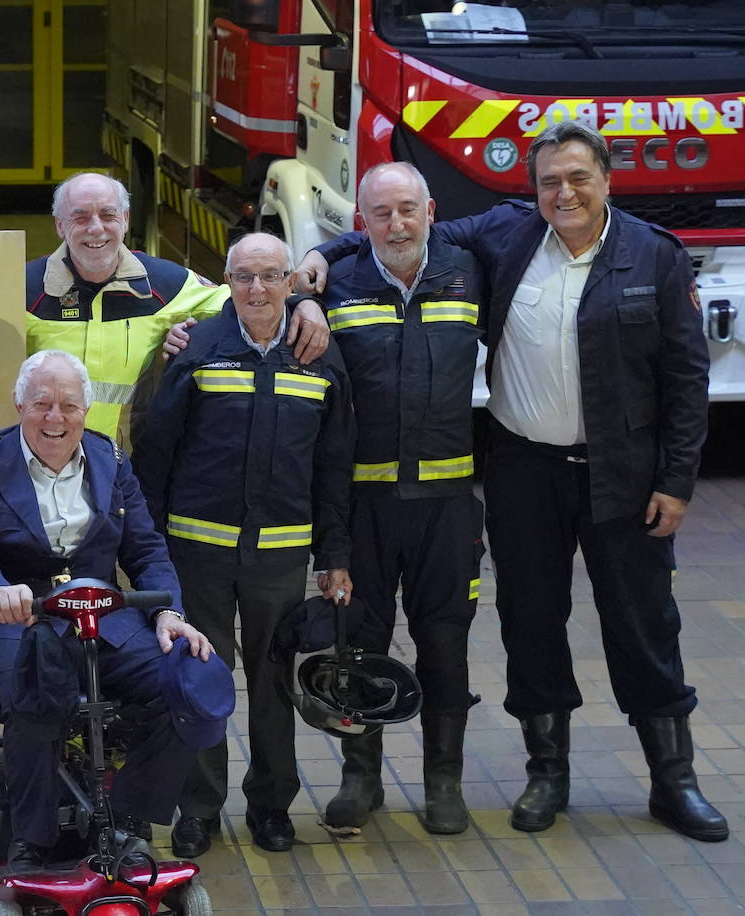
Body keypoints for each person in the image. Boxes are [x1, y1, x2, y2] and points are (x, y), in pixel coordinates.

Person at [299, 121, 726, 842]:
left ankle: (673, 781)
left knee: (644, 623)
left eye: (578, 178)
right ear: (533, 191)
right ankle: (546, 774)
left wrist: (677, 481)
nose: (564, 193)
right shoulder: (506, 236)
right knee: (531, 623)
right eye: (550, 181)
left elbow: (688, 380)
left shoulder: (654, 256)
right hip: (524, 469)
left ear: (607, 181)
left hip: (626, 478)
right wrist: (315, 259)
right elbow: (396, 226)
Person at [0, 349, 224, 870]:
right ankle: (33, 838)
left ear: (85, 411)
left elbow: (145, 549)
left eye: (69, 405)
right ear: (19, 403)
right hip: (10, 622)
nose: (55, 418)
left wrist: (168, 613)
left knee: (194, 682)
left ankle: (127, 821)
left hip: (97, 616)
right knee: (41, 687)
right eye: (41, 404)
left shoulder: (111, 461)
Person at [134, 233, 355, 856]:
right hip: (196, 553)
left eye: (269, 276)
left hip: (280, 557)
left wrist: (335, 557)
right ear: (226, 281)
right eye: (243, 277)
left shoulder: (318, 353)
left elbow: (334, 467)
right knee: (199, 683)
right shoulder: (197, 348)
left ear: (291, 281)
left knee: (273, 681)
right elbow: (156, 454)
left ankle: (271, 807)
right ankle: (199, 808)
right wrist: (147, 557)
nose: (257, 290)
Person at [310, 162, 486, 836]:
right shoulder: (336, 287)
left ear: (431, 210)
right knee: (358, 646)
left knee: (446, 647)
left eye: (408, 209)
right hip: (363, 507)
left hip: (446, 508)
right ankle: (362, 777)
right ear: (362, 222)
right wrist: (313, 271)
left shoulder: (471, 272)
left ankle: (444, 781)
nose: (396, 224)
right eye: (380, 213)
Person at [29, 173, 331, 447]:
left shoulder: (167, 284)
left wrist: (303, 303)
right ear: (59, 225)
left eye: (108, 215)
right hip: (40, 461)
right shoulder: (22, 288)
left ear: (125, 219)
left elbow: (248, 297)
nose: (96, 228)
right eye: (80, 218)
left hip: (119, 469)